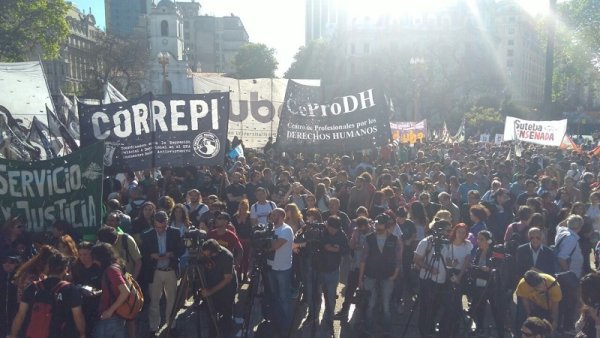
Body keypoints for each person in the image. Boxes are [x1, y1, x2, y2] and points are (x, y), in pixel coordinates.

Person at [9, 250, 86, 338]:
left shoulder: (32, 288)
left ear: (48, 267)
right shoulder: (70, 290)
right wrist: (82, 334)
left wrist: (13, 335)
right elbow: (78, 316)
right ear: (65, 269)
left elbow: (20, 315)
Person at [140, 210, 185, 337]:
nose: (160, 229)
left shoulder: (175, 232)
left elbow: (181, 249)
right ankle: (153, 327)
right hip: (155, 272)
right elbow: (142, 254)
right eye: (158, 227)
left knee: (172, 300)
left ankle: (172, 325)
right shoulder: (147, 235)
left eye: (163, 227)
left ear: (167, 223)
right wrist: (151, 256)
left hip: (170, 270)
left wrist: (172, 254)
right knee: (154, 301)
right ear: (154, 224)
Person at [358, 213, 403, 336]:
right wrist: (360, 278)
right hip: (370, 275)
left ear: (387, 225)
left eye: (381, 224)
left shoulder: (395, 239)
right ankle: (368, 328)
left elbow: (399, 260)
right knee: (370, 304)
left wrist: (395, 275)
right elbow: (363, 259)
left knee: (386, 305)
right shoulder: (369, 238)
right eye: (377, 224)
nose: (378, 226)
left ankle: (386, 329)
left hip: (388, 276)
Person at [413, 219, 452, 337]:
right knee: (425, 306)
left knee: (436, 305)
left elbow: (446, 259)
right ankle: (422, 330)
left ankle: (430, 327)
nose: (450, 232)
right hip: (427, 279)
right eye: (447, 230)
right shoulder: (426, 242)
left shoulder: (447, 243)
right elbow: (416, 259)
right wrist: (430, 269)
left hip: (442, 280)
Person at [311, 216, 349, 332]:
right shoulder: (321, 232)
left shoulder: (342, 235)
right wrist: (326, 246)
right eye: (331, 228)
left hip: (333, 270)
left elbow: (346, 250)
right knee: (316, 295)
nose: (333, 231)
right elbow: (316, 245)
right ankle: (314, 318)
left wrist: (335, 249)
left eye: (335, 229)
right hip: (318, 269)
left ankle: (329, 319)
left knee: (331, 297)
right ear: (327, 225)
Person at [336, 216, 373, 319]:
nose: (361, 229)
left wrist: (364, 248)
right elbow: (350, 245)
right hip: (355, 265)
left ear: (366, 225)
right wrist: (353, 244)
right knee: (349, 291)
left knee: (366, 292)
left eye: (362, 227)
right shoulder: (356, 232)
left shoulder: (373, 233)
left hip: (367, 267)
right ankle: (344, 310)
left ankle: (363, 314)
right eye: (359, 227)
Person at [469, 230, 505, 337]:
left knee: (496, 310)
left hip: (491, 285)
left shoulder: (495, 251)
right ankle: (479, 328)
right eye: (478, 239)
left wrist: (489, 269)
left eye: (481, 239)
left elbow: (499, 267)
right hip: (479, 283)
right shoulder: (478, 251)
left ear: (488, 241)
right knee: (479, 308)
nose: (478, 241)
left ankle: (500, 332)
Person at [200, 239, 238, 338]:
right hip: (212, 284)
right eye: (205, 255)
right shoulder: (206, 253)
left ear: (216, 252)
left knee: (225, 317)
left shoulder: (226, 256)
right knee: (211, 317)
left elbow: (227, 279)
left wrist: (210, 291)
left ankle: (226, 333)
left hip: (226, 289)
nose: (206, 257)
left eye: (208, 255)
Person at [91, 242, 130, 338]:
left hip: (112, 316)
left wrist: (110, 311)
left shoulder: (111, 270)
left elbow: (125, 292)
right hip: (116, 314)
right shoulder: (116, 266)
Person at [441, 223, 473, 337]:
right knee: (449, 300)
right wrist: (450, 264)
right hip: (449, 273)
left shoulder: (467, 244)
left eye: (463, 232)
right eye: (459, 231)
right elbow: (444, 259)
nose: (461, 234)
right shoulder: (448, 243)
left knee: (457, 299)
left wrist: (459, 276)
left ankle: (456, 325)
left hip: (461, 274)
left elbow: (466, 261)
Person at [266, 208, 294, 336]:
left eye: (275, 214)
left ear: (282, 216)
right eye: (272, 214)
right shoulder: (269, 228)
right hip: (270, 267)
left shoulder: (286, 230)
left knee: (284, 298)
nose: (272, 216)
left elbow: (274, 246)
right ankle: (276, 321)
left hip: (282, 269)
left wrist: (265, 241)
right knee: (274, 296)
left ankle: (286, 326)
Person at [555, 214, 585, 334]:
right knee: (569, 302)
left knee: (564, 301)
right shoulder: (571, 239)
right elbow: (561, 258)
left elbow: (559, 225)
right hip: (569, 276)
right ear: (580, 227)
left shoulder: (562, 230)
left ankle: (562, 325)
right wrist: (570, 275)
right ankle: (567, 328)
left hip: (564, 275)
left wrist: (568, 218)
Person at [71, 241, 102, 338]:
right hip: (82, 306)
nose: (83, 257)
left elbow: (106, 288)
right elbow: (73, 284)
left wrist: (97, 292)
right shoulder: (76, 267)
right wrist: (80, 288)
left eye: (85, 254)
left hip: (98, 306)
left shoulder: (98, 267)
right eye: (80, 255)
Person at [0, 255, 19, 338]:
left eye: (11, 262)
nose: (7, 264)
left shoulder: (21, 278)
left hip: (15, 320)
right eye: (4, 261)